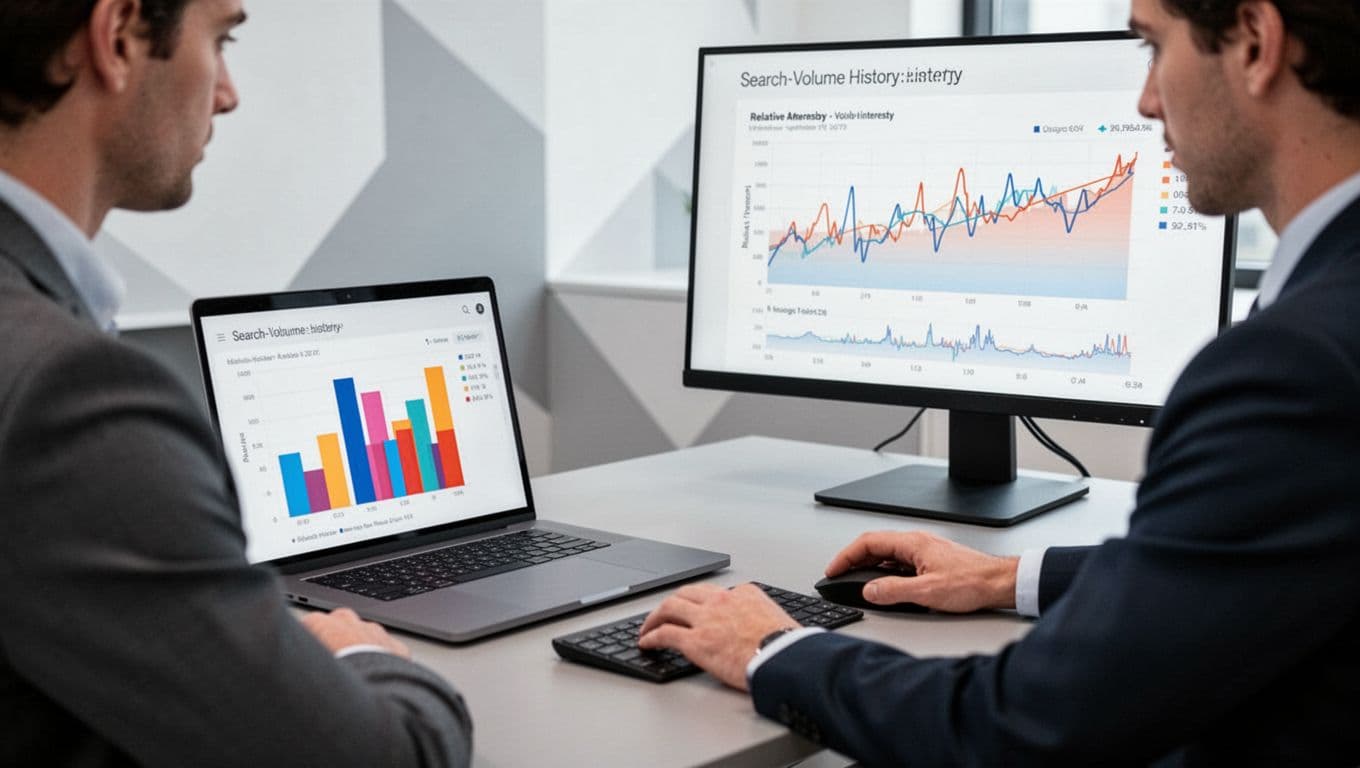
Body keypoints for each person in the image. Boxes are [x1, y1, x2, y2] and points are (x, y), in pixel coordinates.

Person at [639, 0, 1360, 764]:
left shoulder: (1297, 368)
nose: (1146, 99)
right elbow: (1255, 563)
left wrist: (772, 651)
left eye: (1153, 47)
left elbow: (1021, 728)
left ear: (1255, 43)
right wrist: (1010, 578)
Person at [0, 1, 472, 765]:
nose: (227, 91)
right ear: (116, 37)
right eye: (220, 41)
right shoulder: (68, 394)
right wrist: (361, 655)